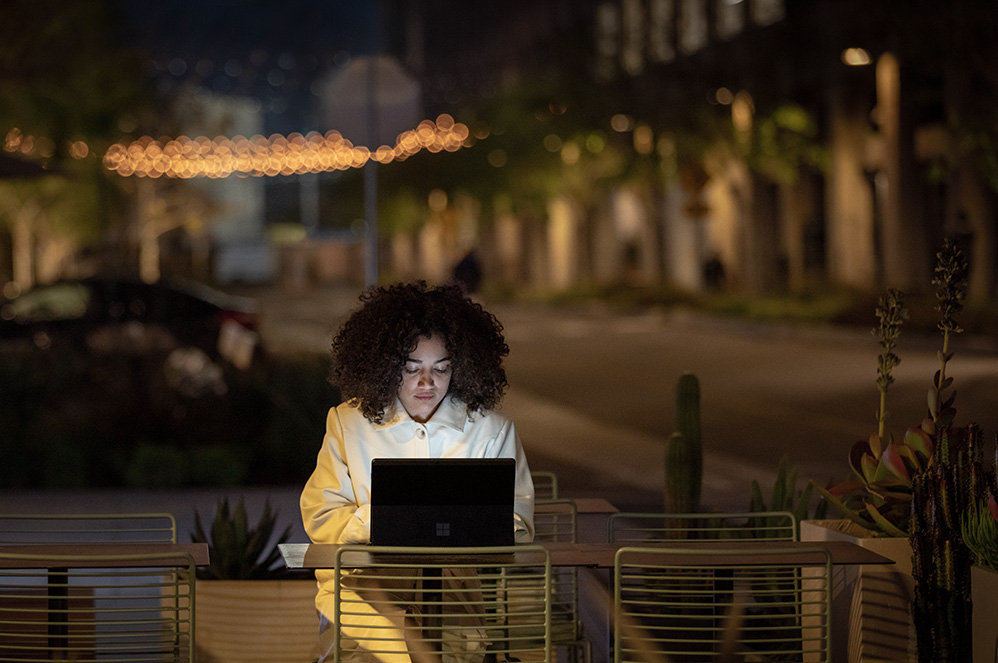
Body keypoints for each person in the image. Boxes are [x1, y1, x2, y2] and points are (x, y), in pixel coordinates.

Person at [300, 281, 535, 663]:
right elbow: (321, 517)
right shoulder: (348, 423)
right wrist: (392, 519)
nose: (427, 383)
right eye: (412, 370)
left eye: (441, 369)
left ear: (461, 368)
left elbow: (518, 525)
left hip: (455, 599)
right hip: (362, 594)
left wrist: (449, 523)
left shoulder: (492, 431)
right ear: (386, 367)